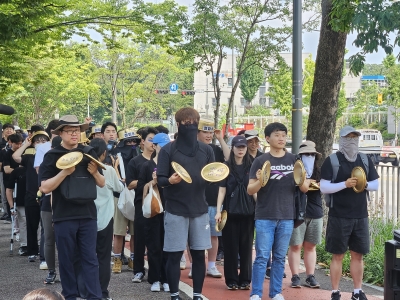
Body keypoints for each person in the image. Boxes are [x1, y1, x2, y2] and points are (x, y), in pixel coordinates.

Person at [39, 115, 105, 300]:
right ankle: (70, 296)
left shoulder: (89, 151)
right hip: (63, 215)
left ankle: (94, 296)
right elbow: (44, 187)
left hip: (88, 215)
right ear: (61, 133)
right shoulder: (52, 156)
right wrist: (64, 173)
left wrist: (94, 173)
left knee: (90, 260)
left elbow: (102, 183)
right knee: (67, 260)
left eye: (77, 130)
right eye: (70, 131)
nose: (75, 134)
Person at [247, 122, 310, 300]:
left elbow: (305, 188)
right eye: (277, 135)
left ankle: (276, 292)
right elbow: (250, 190)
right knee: (261, 257)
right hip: (265, 216)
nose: (281, 138)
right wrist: (261, 180)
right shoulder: (260, 160)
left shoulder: (294, 160)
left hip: (287, 216)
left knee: (280, 257)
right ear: (267, 139)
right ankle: (256, 293)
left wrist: (301, 180)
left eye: (283, 134)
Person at [157, 107, 215, 300]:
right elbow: (161, 179)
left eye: (194, 123)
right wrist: (170, 181)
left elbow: (212, 176)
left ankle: (197, 294)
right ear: (178, 124)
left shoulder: (207, 150)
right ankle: (174, 294)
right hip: (175, 209)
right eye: (186, 123)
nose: (190, 126)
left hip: (200, 209)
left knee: (199, 255)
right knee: (174, 255)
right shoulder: (168, 150)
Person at [320, 126, 379, 300]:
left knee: (358, 255)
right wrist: (344, 184)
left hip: (360, 215)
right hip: (338, 215)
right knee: (337, 255)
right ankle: (335, 291)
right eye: (349, 137)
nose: (352, 141)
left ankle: (357, 291)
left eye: (355, 137)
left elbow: (375, 184)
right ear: (342, 140)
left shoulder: (365, 159)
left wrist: (364, 184)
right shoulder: (332, 161)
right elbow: (324, 186)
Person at [215, 135, 255, 290]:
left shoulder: (252, 165)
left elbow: (255, 189)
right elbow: (222, 190)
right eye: (238, 147)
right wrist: (218, 211)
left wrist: (259, 210)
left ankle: (245, 280)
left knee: (246, 248)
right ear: (232, 148)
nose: (241, 150)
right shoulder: (226, 166)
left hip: (248, 212)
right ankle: (231, 280)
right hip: (229, 213)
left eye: (243, 147)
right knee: (230, 248)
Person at [90, 138, 124, 300]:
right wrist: (116, 169)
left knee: (87, 256)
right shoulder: (108, 170)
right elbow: (120, 188)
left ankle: (87, 290)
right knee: (103, 257)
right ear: (104, 153)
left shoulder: (85, 168)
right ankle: (103, 292)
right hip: (106, 218)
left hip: (87, 219)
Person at [137, 132, 170, 292]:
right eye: (161, 146)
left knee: (168, 246)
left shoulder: (172, 165)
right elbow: (140, 189)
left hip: (169, 210)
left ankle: (167, 278)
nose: (164, 150)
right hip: (153, 211)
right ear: (154, 146)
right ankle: (155, 278)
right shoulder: (146, 166)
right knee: (154, 245)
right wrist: (153, 182)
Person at [196, 118, 229, 279]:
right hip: (195, 199)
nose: (209, 135)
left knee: (214, 235)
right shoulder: (192, 149)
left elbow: (229, 158)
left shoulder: (216, 149)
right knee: (194, 235)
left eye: (210, 132)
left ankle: (211, 265)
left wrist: (220, 138)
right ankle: (195, 265)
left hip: (214, 199)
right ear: (197, 132)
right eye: (205, 132)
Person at [288, 140, 323, 289]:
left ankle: (310, 276)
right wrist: (306, 181)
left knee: (311, 246)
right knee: (296, 245)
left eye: (311, 154)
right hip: (297, 212)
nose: (309, 157)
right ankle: (295, 276)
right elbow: (300, 188)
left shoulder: (320, 171)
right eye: (305, 154)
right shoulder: (293, 170)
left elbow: (325, 188)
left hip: (315, 211)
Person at [126, 127, 158, 283]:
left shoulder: (162, 161)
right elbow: (129, 184)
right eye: (150, 139)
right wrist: (148, 180)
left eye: (156, 140)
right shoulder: (135, 161)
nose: (153, 143)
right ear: (143, 142)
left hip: (158, 206)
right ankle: (138, 270)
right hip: (141, 203)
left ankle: (156, 273)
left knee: (156, 240)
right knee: (139, 238)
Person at [13, 130, 50, 262]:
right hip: (31, 194)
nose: (40, 144)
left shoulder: (51, 156)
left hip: (47, 194)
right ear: (33, 144)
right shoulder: (29, 158)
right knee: (32, 224)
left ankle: (45, 253)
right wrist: (25, 144)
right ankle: (32, 251)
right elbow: (15, 157)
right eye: (37, 141)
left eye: (43, 141)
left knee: (46, 226)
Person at [34, 120, 61, 283]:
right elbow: (43, 186)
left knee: (62, 239)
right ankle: (51, 270)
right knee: (49, 238)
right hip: (47, 205)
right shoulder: (46, 164)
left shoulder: (72, 162)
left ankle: (61, 270)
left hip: (65, 206)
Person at [0, 123, 15, 222]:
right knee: (4, 191)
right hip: (2, 170)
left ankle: (12, 212)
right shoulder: (1, 143)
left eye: (11, 129)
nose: (9, 130)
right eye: (7, 129)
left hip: (13, 170)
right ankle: (7, 212)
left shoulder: (18, 142)